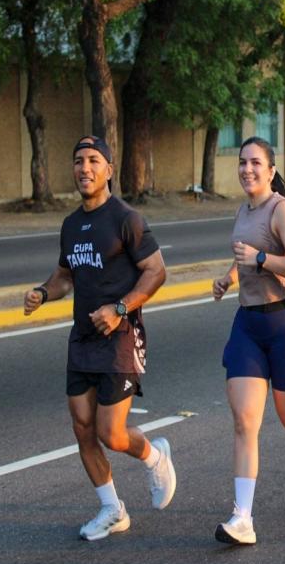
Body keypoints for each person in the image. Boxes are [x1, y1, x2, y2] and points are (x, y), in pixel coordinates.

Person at [23, 135, 176, 541]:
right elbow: (65, 276)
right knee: (82, 427)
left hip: (120, 337)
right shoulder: (71, 225)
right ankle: (112, 509)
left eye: (93, 160)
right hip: (83, 339)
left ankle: (155, 456)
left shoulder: (126, 218)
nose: (84, 168)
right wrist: (42, 292)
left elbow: (157, 271)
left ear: (109, 169)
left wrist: (120, 308)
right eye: (78, 161)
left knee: (112, 433)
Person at [211, 136, 285, 545]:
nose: (247, 169)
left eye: (255, 163)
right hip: (248, 325)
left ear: (271, 170)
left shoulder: (281, 210)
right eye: (242, 162)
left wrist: (261, 260)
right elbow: (244, 254)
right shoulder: (243, 209)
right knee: (245, 421)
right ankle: (242, 518)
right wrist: (229, 277)